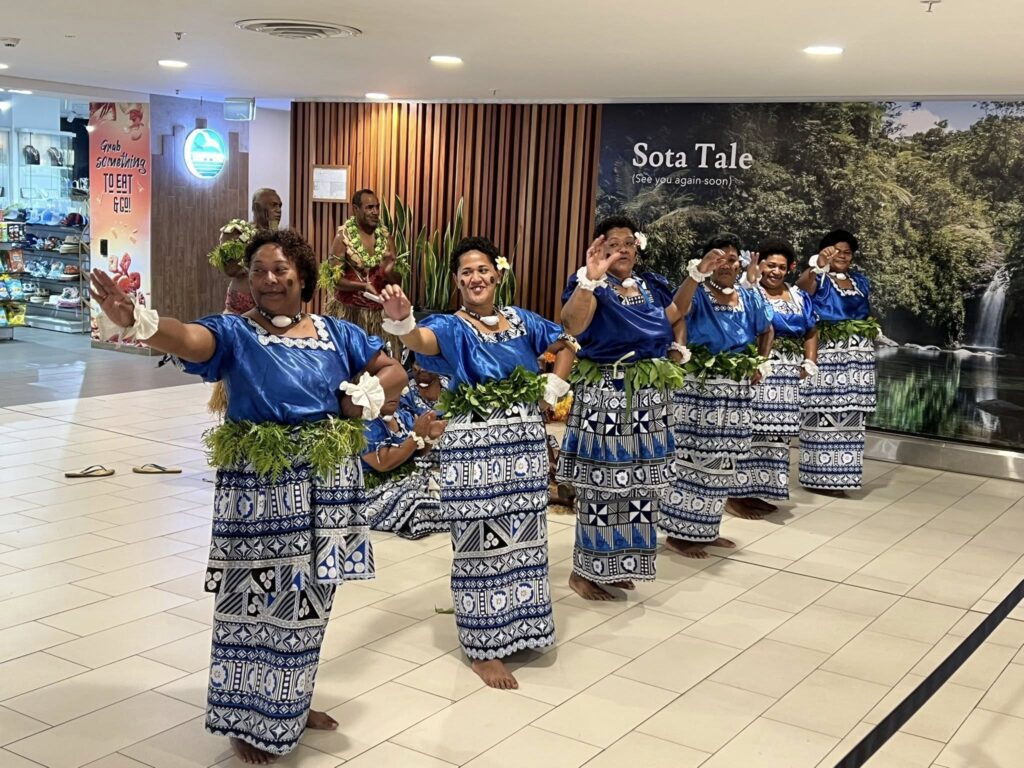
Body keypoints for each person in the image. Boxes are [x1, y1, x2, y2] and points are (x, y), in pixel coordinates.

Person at [91, 229, 404, 765]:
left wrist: (371, 392)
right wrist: (140, 322)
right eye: (259, 270)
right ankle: (246, 716)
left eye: (280, 269)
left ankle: (292, 702)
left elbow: (391, 370)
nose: (269, 279)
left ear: (302, 276)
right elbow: (189, 340)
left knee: (310, 605)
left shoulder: (338, 333)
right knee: (251, 603)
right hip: (260, 489)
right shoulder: (236, 333)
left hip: (326, 488)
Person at [378, 236, 576, 690]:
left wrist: (555, 384)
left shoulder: (523, 320)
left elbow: (566, 341)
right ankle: (484, 647)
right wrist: (401, 319)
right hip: (474, 450)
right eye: (466, 271)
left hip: (523, 445)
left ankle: (521, 628)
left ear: (498, 274)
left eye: (483, 269)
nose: (476, 277)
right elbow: (417, 338)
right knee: (479, 543)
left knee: (524, 538)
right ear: (457, 281)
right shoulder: (450, 326)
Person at [557, 215, 685, 601]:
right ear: (600, 248)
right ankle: (584, 572)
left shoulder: (648, 286)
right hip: (606, 393)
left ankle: (615, 564)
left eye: (629, 242)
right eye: (615, 243)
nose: (624, 249)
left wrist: (677, 343)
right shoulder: (587, 284)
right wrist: (591, 280)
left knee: (638, 489)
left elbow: (674, 316)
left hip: (648, 396)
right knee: (602, 486)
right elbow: (572, 326)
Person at [659, 234, 774, 558]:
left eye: (733, 259)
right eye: (720, 258)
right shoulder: (696, 292)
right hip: (698, 388)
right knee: (690, 461)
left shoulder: (748, 296)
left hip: (735, 391)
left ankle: (706, 528)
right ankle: (679, 534)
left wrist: (762, 363)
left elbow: (767, 329)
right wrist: (696, 274)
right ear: (708, 262)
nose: (728, 264)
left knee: (723, 462)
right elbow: (676, 312)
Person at [727, 239, 818, 517]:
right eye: (770, 265)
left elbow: (812, 329)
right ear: (760, 266)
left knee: (776, 435)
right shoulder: (747, 292)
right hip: (759, 368)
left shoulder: (799, 296)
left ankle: (759, 490)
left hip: (788, 374)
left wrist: (810, 360)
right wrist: (756, 363)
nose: (776, 272)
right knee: (749, 430)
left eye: (781, 267)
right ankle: (734, 495)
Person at [795, 228, 878, 495]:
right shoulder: (818, 278)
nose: (842, 256)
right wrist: (818, 265)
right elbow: (800, 288)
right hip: (828, 354)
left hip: (858, 357)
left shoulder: (860, 281)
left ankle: (843, 477)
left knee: (851, 416)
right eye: (836, 251)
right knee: (823, 414)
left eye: (847, 252)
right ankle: (819, 478)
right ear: (826, 251)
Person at [322, 189, 402, 353]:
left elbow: (397, 280)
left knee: (382, 364)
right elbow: (335, 281)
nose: (375, 212)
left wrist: (388, 272)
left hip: (380, 314)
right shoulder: (342, 239)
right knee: (352, 365)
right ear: (356, 209)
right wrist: (363, 286)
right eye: (369, 207)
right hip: (350, 314)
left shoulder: (386, 238)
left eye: (377, 207)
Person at [362, 389, 448, 539]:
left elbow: (416, 452)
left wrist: (429, 436)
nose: (393, 396)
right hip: (375, 491)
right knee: (416, 503)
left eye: (396, 391)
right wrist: (416, 436)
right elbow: (383, 463)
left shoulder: (402, 415)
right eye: (386, 390)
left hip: (407, 480)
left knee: (453, 489)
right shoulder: (366, 422)